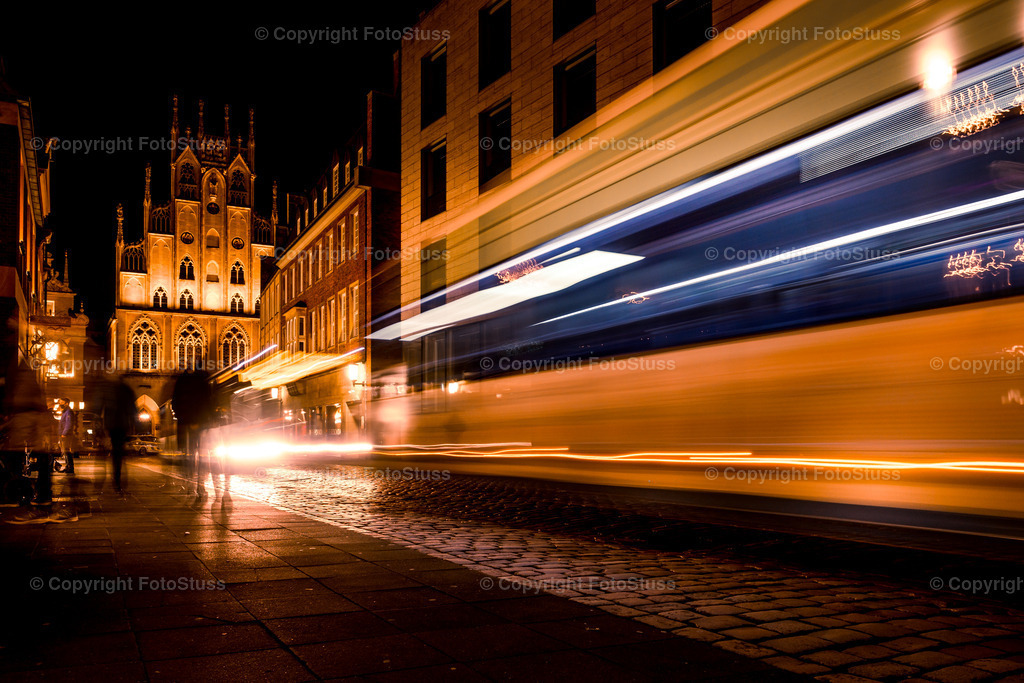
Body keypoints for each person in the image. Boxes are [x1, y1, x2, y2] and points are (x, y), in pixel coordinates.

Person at [172, 369, 213, 496]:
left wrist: (180, 416)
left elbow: (175, 402)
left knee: (189, 455)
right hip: (198, 423)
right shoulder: (202, 379)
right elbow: (208, 401)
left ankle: (190, 484)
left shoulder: (181, 380)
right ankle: (200, 486)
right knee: (201, 456)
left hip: (186, 423)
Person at [99, 376, 136, 495]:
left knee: (116, 454)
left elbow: (100, 406)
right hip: (121, 425)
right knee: (119, 454)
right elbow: (132, 409)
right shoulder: (126, 389)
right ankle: (118, 481)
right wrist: (134, 425)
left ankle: (116, 480)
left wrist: (101, 423)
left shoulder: (108, 388)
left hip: (112, 425)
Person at [58, 399, 75, 475]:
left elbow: (68, 424)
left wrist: (64, 434)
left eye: (61, 403)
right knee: (65, 451)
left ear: (66, 403)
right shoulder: (65, 412)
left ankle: (70, 467)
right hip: (64, 435)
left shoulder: (68, 412)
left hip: (66, 435)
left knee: (67, 451)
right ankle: (68, 466)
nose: (60, 404)